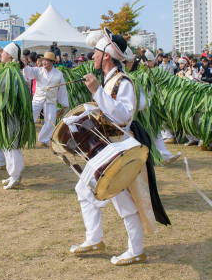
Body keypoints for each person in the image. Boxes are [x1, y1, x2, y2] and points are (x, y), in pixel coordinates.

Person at [71, 27, 170, 266]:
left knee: (124, 201)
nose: (91, 56)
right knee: (84, 190)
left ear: (106, 55)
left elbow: (124, 116)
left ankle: (135, 250)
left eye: (95, 52)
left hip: (120, 149)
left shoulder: (123, 81)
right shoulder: (110, 80)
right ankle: (94, 239)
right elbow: (106, 112)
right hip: (108, 147)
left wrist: (96, 92)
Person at [0, 43, 35, 189]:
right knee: (7, 143)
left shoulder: (10, 71)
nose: (1, 54)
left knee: (10, 143)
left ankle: (15, 174)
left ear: (9, 55)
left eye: (3, 52)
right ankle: (13, 174)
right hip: (7, 112)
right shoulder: (10, 70)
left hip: (9, 112)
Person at [22, 51, 69, 146]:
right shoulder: (38, 70)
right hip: (38, 98)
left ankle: (44, 139)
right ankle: (22, 137)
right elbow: (29, 73)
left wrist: (65, 105)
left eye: (47, 60)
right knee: (29, 116)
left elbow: (62, 90)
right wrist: (25, 66)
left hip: (50, 100)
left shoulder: (59, 74)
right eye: (44, 60)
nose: (44, 62)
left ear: (52, 62)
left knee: (51, 120)